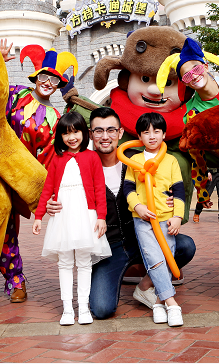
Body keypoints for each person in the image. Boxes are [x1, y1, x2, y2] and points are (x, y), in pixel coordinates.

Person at [47, 107, 196, 319]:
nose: (105, 136)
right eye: (98, 131)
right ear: (90, 134)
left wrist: (170, 199)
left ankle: (146, 285)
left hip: (141, 236)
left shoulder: (136, 161)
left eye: (111, 130)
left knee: (185, 246)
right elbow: (57, 187)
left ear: (120, 132)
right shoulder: (80, 165)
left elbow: (167, 182)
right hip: (108, 246)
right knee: (101, 309)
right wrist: (52, 203)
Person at [157, 37, 219, 302]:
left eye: (195, 68)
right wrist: (202, 191)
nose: (193, 75)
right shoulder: (192, 113)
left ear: (206, 65)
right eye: (186, 75)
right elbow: (196, 156)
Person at [0, 40, 78, 302]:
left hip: (20, 179)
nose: (48, 83)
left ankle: (15, 279)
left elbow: (52, 157)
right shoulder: (16, 94)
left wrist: (49, 192)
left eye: (54, 80)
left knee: (8, 228)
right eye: (44, 77)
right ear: (36, 77)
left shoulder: (55, 117)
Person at [32, 111, 111, 326]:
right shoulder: (57, 159)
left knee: (84, 262)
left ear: (84, 133)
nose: (72, 137)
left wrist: (101, 217)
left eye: (76, 132)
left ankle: (83, 307)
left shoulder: (92, 157)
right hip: (63, 217)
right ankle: (67, 309)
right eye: (66, 133)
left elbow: (99, 189)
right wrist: (39, 216)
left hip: (86, 216)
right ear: (60, 137)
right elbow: (48, 188)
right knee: (65, 262)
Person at [123, 112, 185, 327]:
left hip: (166, 219)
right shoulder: (134, 160)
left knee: (167, 257)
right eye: (146, 132)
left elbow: (179, 190)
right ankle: (172, 303)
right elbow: (128, 188)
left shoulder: (171, 160)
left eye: (156, 131)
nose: (152, 136)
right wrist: (137, 206)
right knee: (154, 258)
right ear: (139, 136)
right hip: (142, 220)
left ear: (164, 134)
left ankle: (159, 303)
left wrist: (177, 216)